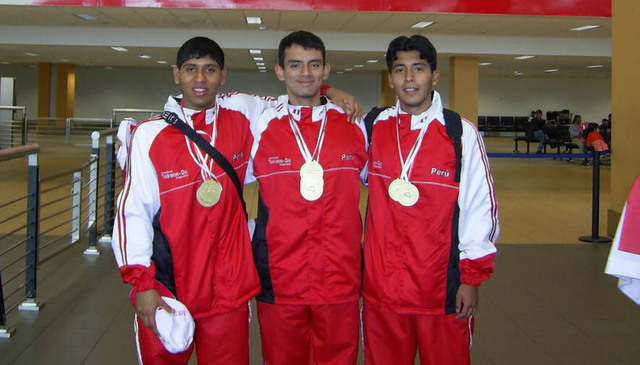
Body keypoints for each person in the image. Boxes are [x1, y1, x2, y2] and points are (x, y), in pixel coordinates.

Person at [111, 36, 359, 364]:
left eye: (209, 70)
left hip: (229, 289)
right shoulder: (150, 135)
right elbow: (132, 213)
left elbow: (296, 96)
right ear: (176, 74)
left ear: (223, 76)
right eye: (191, 70)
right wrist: (142, 283)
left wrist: (328, 92)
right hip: (170, 285)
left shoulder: (242, 113)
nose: (200, 79)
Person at [361, 35, 498, 365]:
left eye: (418, 68)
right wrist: (330, 92)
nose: (409, 78)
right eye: (399, 69)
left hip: (442, 290)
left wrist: (471, 277)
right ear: (390, 78)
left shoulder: (459, 132)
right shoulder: (372, 127)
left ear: (434, 76)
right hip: (381, 291)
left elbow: (480, 208)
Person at [249, 31, 368, 364]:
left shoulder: (355, 125)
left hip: (340, 277)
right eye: (295, 65)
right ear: (279, 71)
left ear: (326, 71)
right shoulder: (260, 122)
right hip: (280, 276)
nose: (305, 73)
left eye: (314, 65)